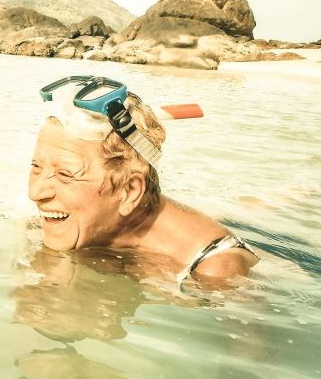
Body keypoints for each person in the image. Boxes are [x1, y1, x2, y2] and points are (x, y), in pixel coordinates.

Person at [28, 75, 258, 285]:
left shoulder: (216, 271)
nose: (36, 192)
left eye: (65, 174)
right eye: (36, 167)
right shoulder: (72, 220)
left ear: (129, 191)